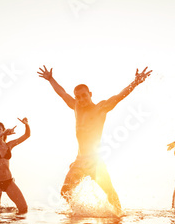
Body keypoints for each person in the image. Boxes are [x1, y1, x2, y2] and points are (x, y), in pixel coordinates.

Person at [38, 66, 152, 214]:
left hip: (95, 162)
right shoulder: (76, 107)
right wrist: (50, 79)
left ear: (90, 94)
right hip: (79, 161)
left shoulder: (101, 108)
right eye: (78, 97)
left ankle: (118, 216)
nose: (81, 99)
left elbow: (119, 96)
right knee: (65, 192)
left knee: (109, 193)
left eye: (84, 95)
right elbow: (62, 93)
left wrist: (135, 83)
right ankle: (80, 213)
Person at [0, 118, 30, 215]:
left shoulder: (8, 145)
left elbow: (27, 135)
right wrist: (3, 133)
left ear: (2, 130)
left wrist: (26, 124)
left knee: (23, 208)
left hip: (8, 181)